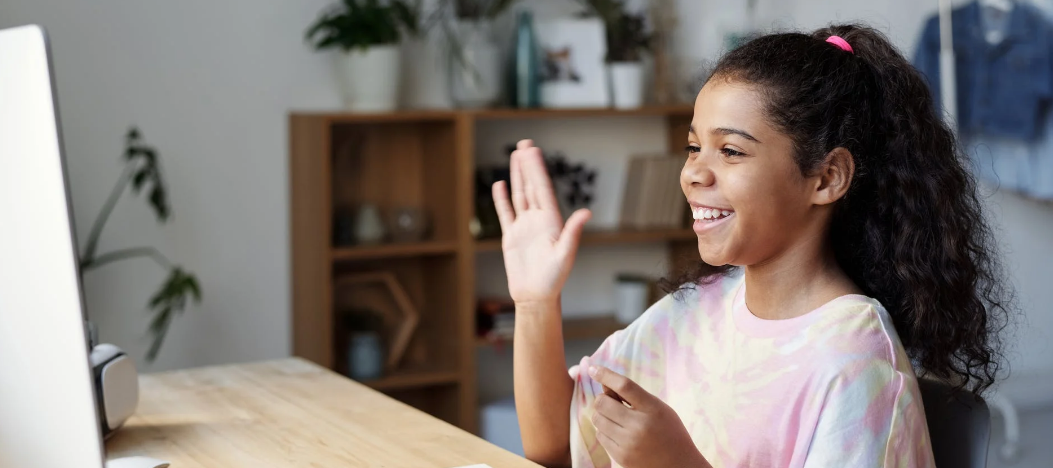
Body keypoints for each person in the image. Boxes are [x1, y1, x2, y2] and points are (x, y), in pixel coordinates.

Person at [491, 24, 1010, 468]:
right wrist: (536, 302)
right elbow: (556, 445)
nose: (694, 172)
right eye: (694, 146)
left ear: (826, 178)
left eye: (731, 150)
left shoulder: (855, 365)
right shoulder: (692, 312)